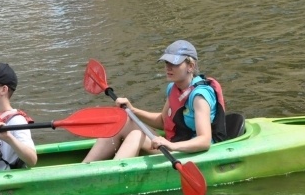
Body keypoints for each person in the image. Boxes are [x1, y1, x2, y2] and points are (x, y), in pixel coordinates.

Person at [82, 41, 227, 162]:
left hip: (191, 152)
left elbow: (204, 141)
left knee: (136, 135)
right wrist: (132, 111)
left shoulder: (199, 97)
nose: (168, 68)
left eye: (174, 63)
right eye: (166, 63)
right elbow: (163, 122)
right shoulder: (173, 88)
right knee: (123, 122)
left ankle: (109, 177)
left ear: (191, 66)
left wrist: (171, 145)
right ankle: (84, 168)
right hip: (172, 144)